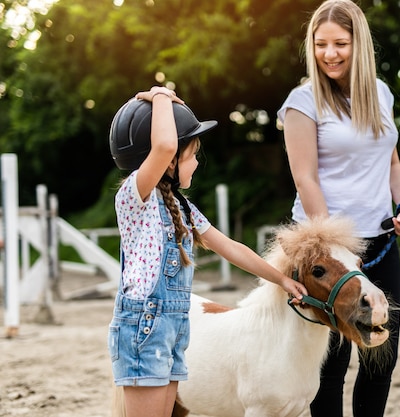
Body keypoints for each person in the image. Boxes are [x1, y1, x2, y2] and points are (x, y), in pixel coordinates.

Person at [107, 86, 307, 417]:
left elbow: (231, 248)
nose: (197, 162)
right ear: (168, 162)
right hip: (145, 327)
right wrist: (160, 95)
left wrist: (282, 280)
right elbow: (165, 143)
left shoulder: (183, 208)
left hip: (174, 325)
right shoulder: (134, 197)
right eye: (192, 154)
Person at [277, 1, 400, 416]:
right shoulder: (302, 102)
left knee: (381, 354)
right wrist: (331, 247)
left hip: (379, 242)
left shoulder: (381, 93)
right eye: (320, 44)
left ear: (359, 44)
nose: (330, 53)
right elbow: (306, 179)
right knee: (332, 362)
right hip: (328, 251)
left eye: (340, 43)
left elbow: (392, 165)